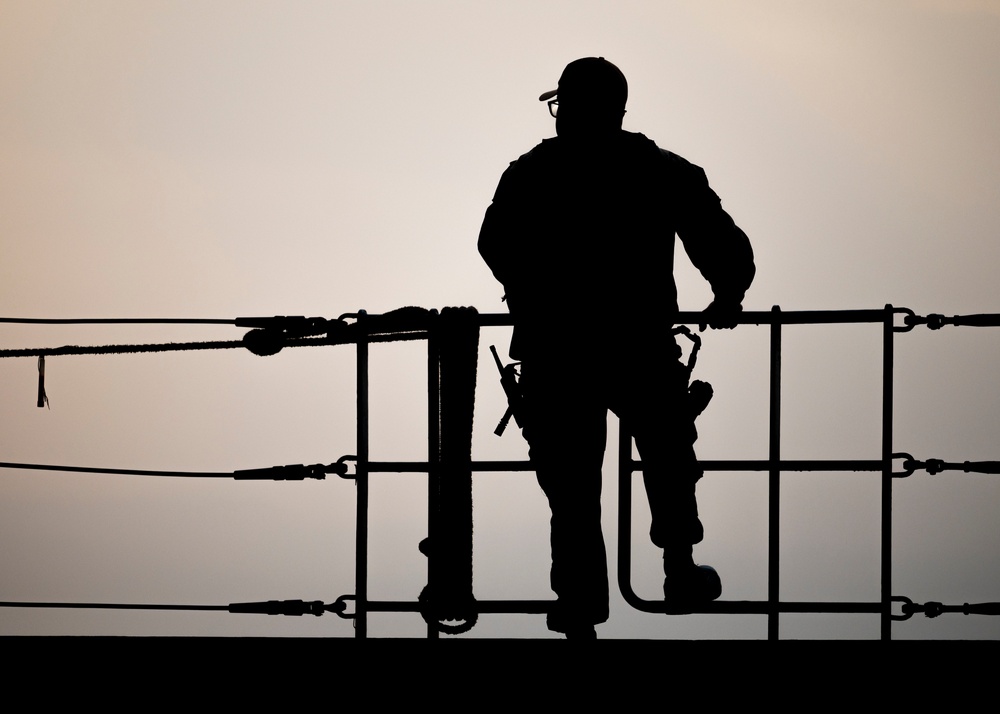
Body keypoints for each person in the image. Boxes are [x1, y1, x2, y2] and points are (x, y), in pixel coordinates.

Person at [478, 57, 755, 638]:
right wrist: (728, 295)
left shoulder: (531, 174)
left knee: (573, 484)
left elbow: (494, 243)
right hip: (637, 346)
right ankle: (678, 570)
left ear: (570, 107)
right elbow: (719, 239)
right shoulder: (659, 170)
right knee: (668, 451)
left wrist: (531, 294)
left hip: (559, 354)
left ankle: (580, 602)